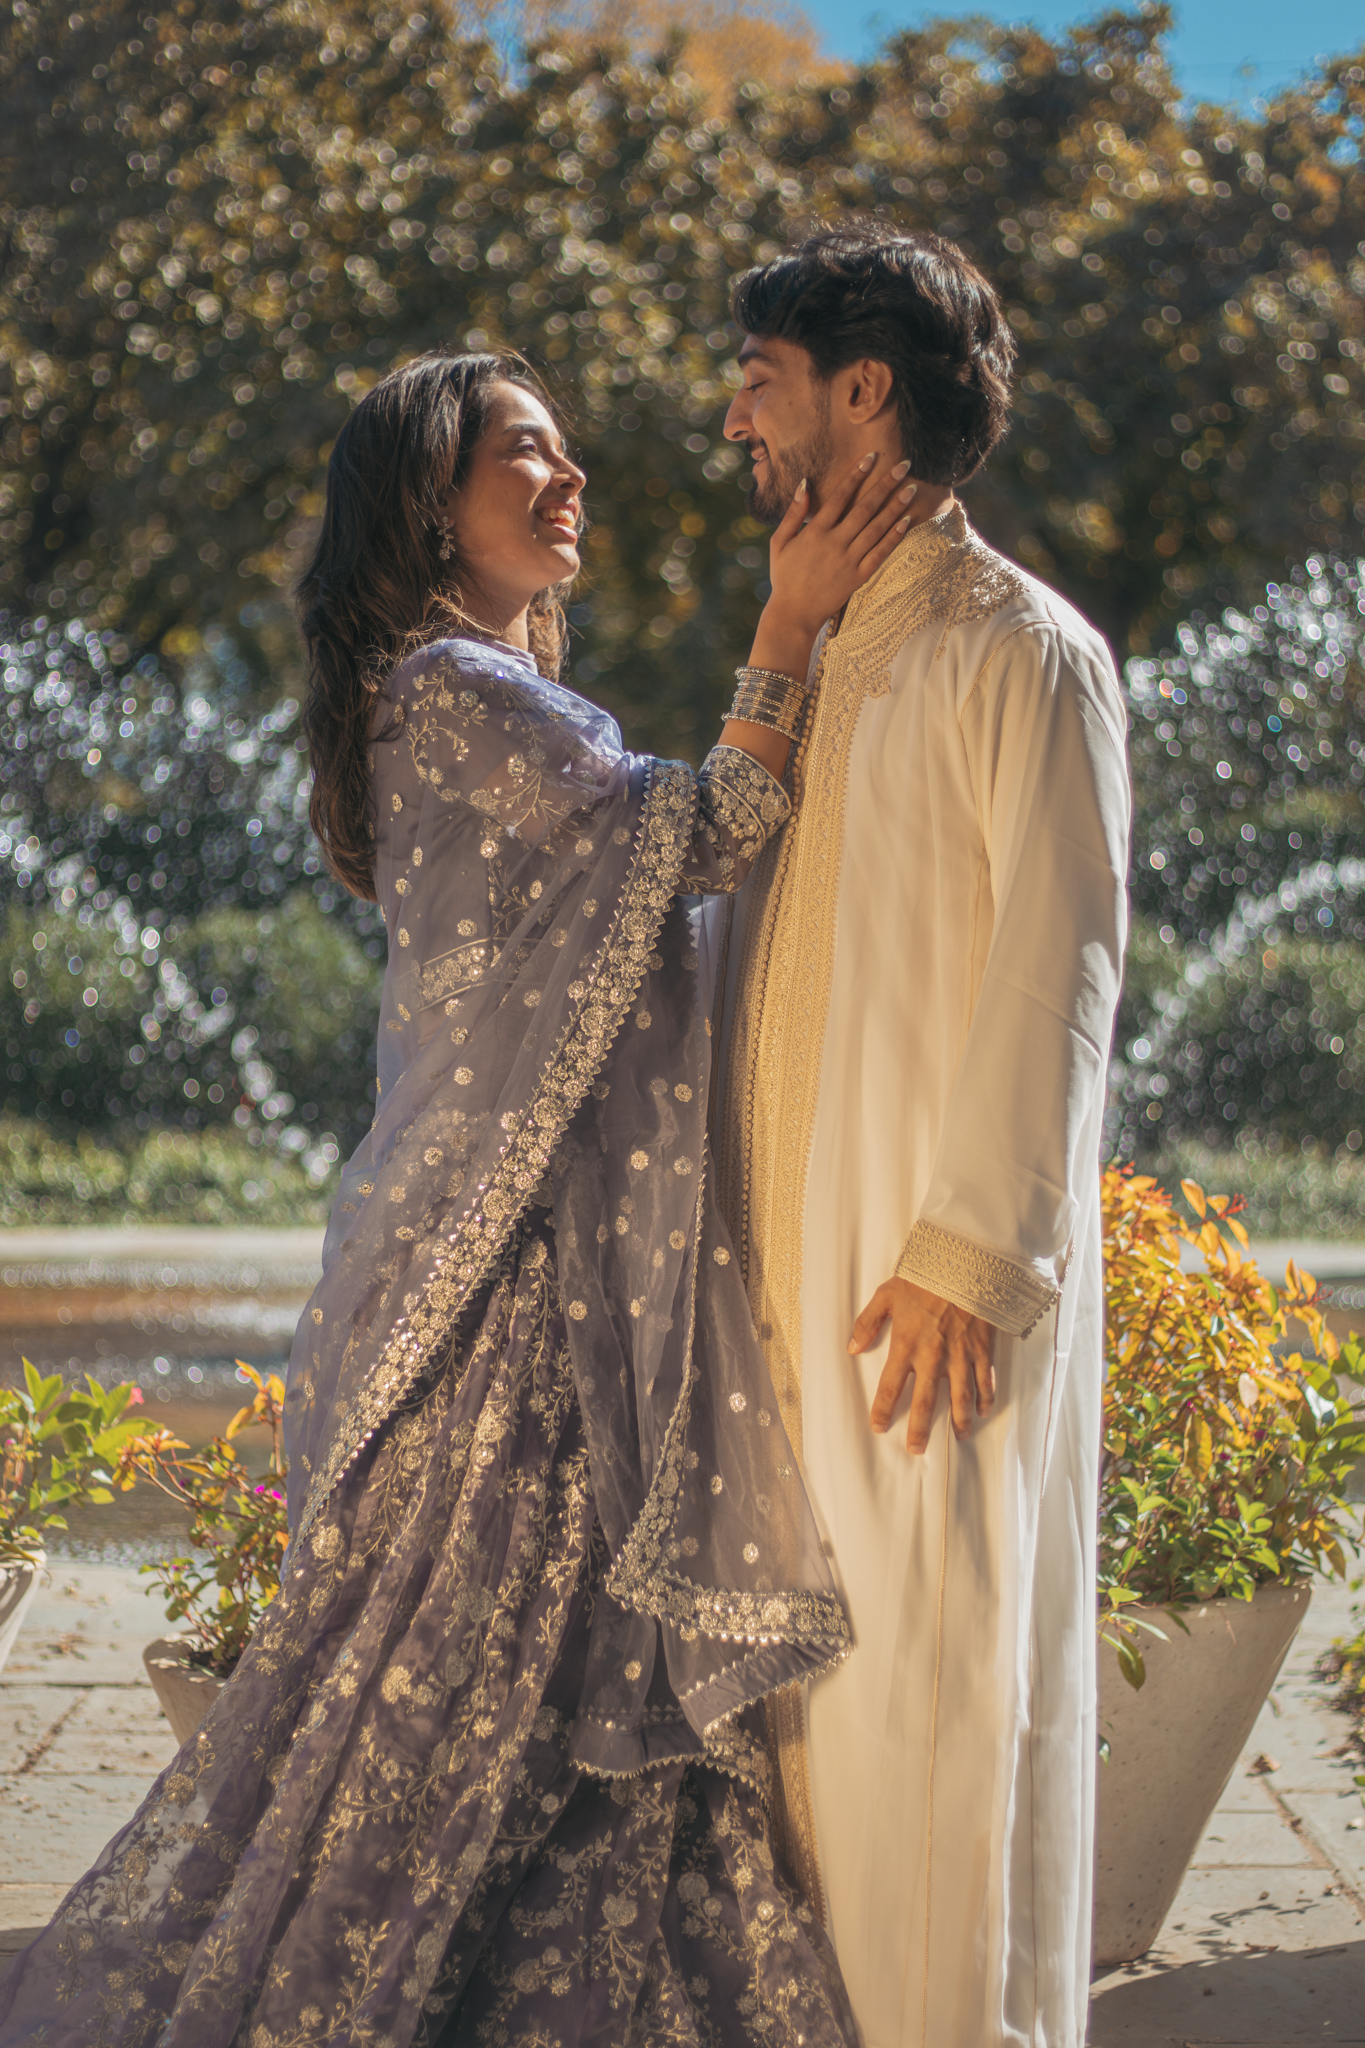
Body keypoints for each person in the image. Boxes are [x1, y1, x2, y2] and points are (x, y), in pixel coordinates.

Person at [0, 353, 914, 2047]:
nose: (568, 477)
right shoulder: (456, 690)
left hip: (507, 1248)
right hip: (503, 1282)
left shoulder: (472, 693)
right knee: (464, 1683)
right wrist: (788, 629)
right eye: (525, 454)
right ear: (432, 499)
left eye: (568, 450)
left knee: (517, 1681)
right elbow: (708, 831)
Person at [709, 223, 1131, 2048]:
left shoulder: (1023, 648)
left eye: (761, 378)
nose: (733, 418)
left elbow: (1065, 965)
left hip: (923, 1291)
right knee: (826, 1731)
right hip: (784, 1288)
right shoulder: (825, 653)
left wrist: (972, 1253)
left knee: (937, 1710)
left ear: (860, 390)